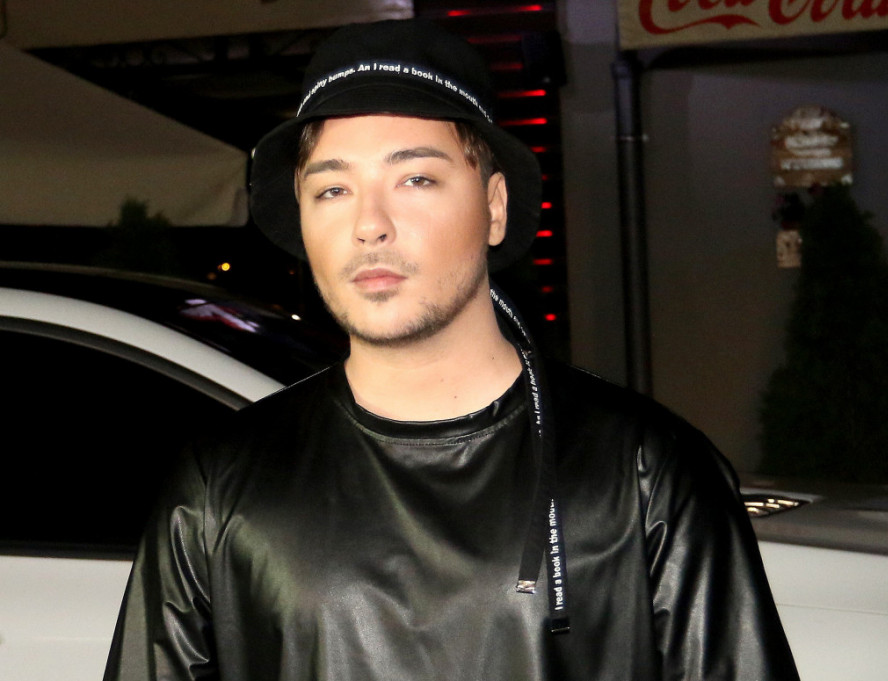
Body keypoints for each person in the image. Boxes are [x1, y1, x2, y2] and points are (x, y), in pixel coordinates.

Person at [104, 19, 800, 681]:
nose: (370, 224)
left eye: (416, 179)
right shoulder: (218, 485)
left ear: (494, 206)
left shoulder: (645, 471)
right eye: (334, 188)